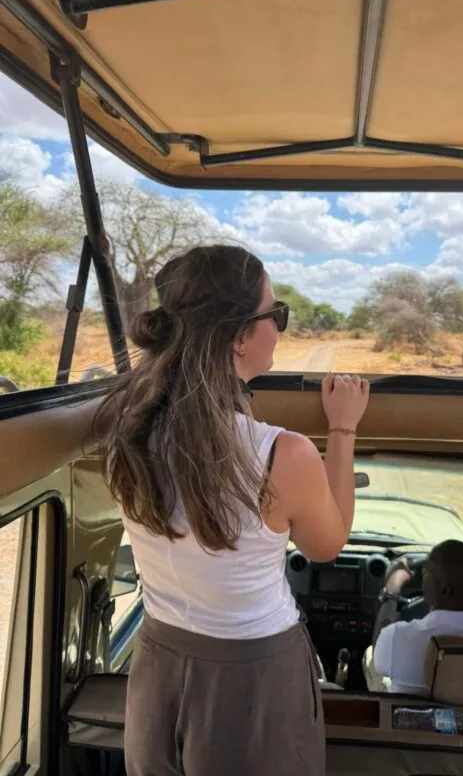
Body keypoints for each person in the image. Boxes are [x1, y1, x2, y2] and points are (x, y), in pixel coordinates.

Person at [93, 244, 369, 776]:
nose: (280, 329)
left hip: (156, 664)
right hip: (254, 677)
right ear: (241, 335)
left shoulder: (126, 430)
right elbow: (326, 545)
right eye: (276, 314)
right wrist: (343, 427)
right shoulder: (279, 453)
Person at [363, 539, 463, 694]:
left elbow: (379, 653)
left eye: (426, 572)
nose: (423, 575)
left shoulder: (397, 639)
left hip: (414, 718)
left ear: (445, 590)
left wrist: (392, 589)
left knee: (371, 654)